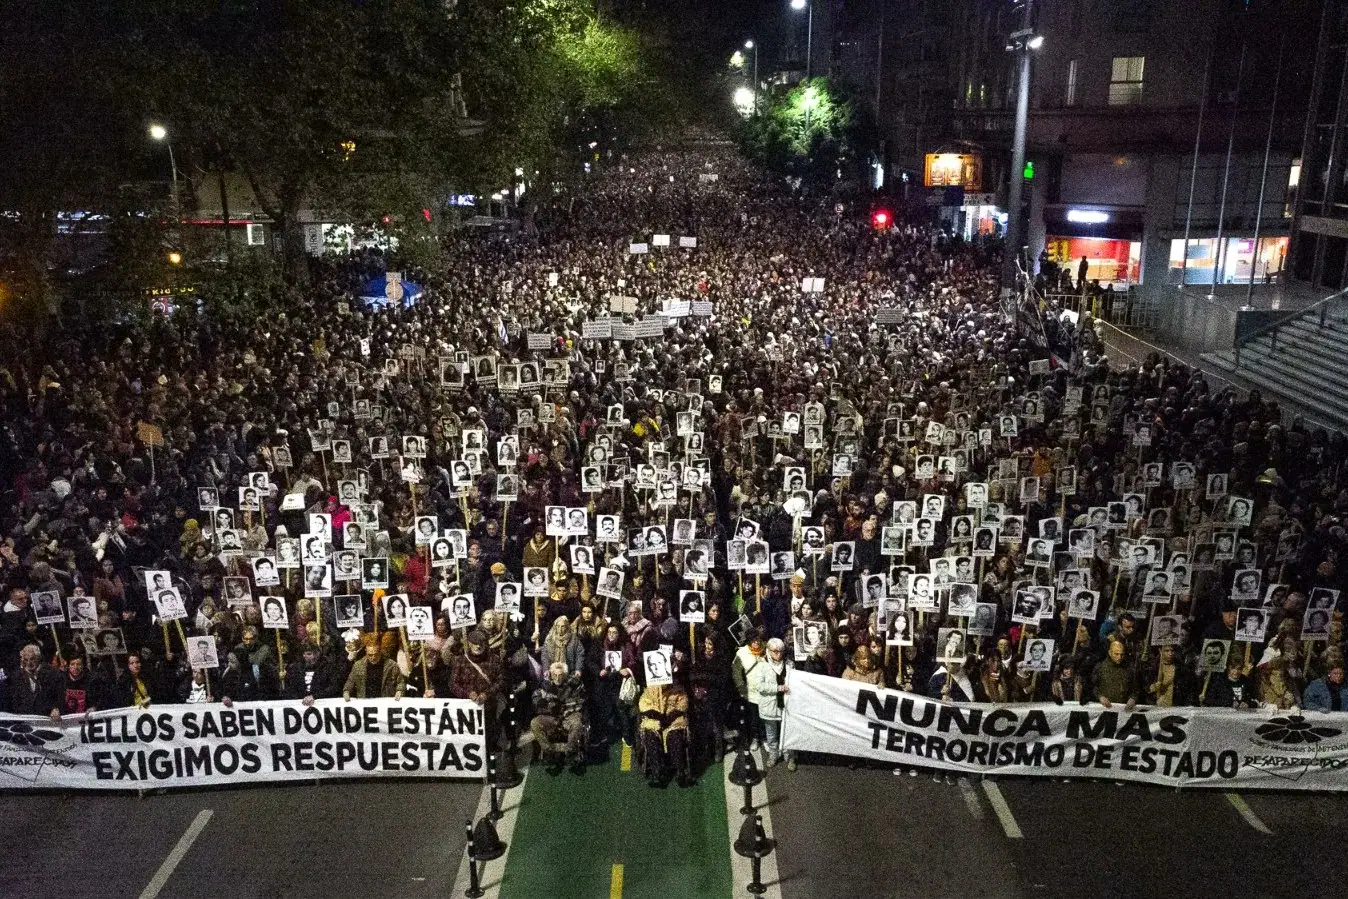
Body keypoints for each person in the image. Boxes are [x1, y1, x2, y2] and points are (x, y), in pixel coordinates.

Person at [532, 661, 588, 773]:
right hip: (552, 716)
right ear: (551, 674)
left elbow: (580, 701)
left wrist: (563, 707)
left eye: (560, 675)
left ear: (565, 675)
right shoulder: (546, 685)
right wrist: (543, 703)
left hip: (569, 714)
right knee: (535, 723)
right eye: (555, 675)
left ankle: (570, 752)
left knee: (577, 723)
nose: (557, 678)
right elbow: (535, 696)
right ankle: (550, 752)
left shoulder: (575, 684)